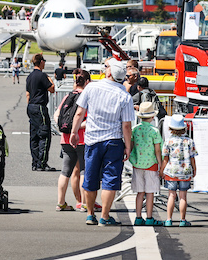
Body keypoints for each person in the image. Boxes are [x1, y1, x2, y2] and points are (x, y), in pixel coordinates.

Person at [70, 59, 135, 226]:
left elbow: (79, 113)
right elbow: (126, 125)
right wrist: (128, 145)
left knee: (91, 177)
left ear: (109, 73)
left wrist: (74, 132)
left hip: (92, 139)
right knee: (110, 179)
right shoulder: (124, 96)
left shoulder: (92, 87)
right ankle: (105, 216)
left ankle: (90, 214)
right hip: (114, 140)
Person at [54, 70, 90, 212]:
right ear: (87, 82)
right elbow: (89, 119)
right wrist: (77, 127)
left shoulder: (67, 97)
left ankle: (60, 202)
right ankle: (84, 203)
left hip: (65, 139)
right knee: (83, 171)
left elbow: (57, 115)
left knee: (65, 171)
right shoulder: (86, 98)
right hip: (82, 139)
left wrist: (66, 128)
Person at [130, 101, 164, 226]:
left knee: (140, 192)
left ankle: (138, 217)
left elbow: (132, 146)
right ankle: (149, 217)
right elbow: (157, 150)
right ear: (152, 117)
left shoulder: (135, 129)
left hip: (137, 163)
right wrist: (160, 165)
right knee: (150, 193)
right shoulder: (154, 131)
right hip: (151, 165)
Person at [160, 114, 197, 227]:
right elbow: (192, 158)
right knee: (183, 196)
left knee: (171, 195)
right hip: (185, 172)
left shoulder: (168, 142)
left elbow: (165, 158)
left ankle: (168, 219)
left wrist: (162, 170)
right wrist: (194, 169)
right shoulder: (189, 141)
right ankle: (182, 219)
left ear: (170, 129)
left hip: (171, 171)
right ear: (184, 128)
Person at [26, 53, 56, 172]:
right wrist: (49, 79)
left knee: (34, 135)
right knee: (44, 134)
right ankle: (42, 163)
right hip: (39, 106)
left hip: (31, 106)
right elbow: (52, 88)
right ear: (41, 62)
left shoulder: (29, 76)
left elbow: (27, 93)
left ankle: (35, 162)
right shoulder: (42, 75)